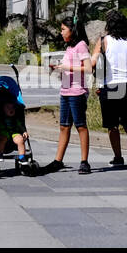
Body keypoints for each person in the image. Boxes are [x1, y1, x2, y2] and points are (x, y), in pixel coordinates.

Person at [91, 10, 127, 167]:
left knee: (112, 125)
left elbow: (94, 63)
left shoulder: (103, 41)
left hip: (111, 86)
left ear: (109, 25)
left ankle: (118, 157)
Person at [45, 17, 92, 173]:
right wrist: (58, 68)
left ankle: (84, 161)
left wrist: (67, 67)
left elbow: (88, 68)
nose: (61, 32)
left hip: (77, 92)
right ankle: (58, 160)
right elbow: (70, 67)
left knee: (80, 126)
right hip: (65, 91)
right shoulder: (70, 47)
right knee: (64, 126)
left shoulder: (81, 45)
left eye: (64, 29)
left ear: (72, 30)